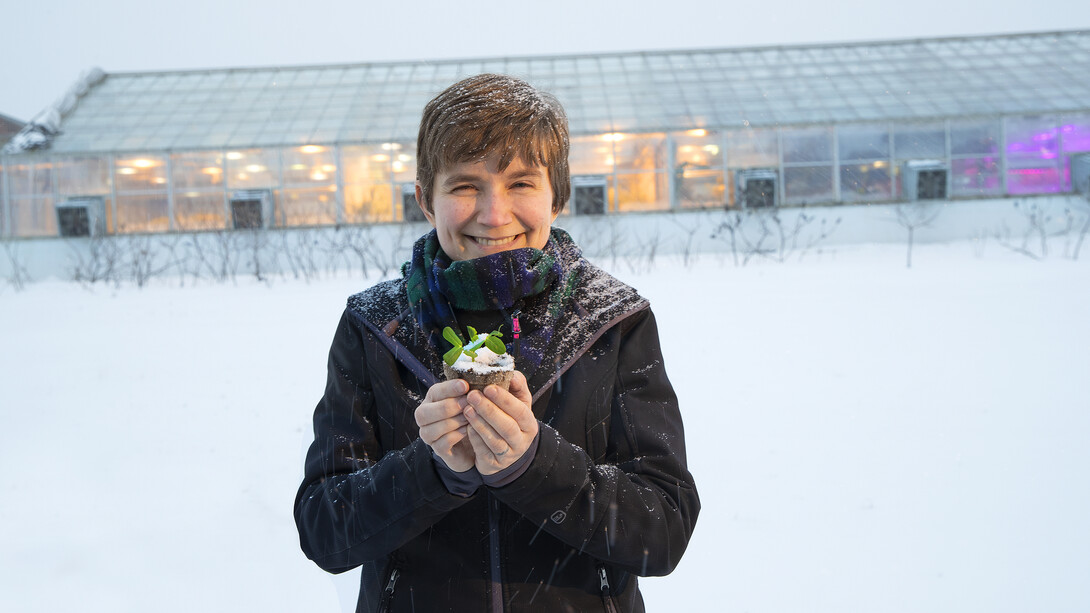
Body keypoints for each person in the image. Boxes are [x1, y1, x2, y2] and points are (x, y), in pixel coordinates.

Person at [294, 73, 699, 613]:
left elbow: (663, 529)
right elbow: (325, 529)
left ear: (558, 197)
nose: (493, 214)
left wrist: (534, 466)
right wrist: (433, 471)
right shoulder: (375, 328)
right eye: (464, 186)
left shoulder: (613, 321)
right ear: (425, 199)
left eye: (521, 183)